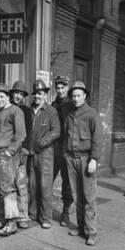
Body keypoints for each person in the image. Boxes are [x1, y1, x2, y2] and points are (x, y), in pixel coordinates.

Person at [63, 81, 103, 246]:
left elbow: (98, 139)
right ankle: (80, 227)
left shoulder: (92, 114)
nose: (76, 98)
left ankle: (91, 232)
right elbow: (66, 134)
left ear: (84, 96)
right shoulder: (69, 113)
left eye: (79, 95)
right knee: (76, 195)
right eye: (73, 96)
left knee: (89, 197)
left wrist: (94, 159)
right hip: (71, 158)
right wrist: (66, 154)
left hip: (87, 159)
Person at [0, 83, 26, 236]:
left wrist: (10, 152)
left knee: (8, 188)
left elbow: (21, 135)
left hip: (7, 153)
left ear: (8, 97)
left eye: (1, 96)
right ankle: (3, 219)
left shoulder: (15, 111)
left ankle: (11, 223)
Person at [25, 80, 60, 229]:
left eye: (40, 93)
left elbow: (56, 131)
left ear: (45, 94)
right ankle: (33, 214)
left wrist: (42, 142)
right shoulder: (30, 110)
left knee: (45, 186)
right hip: (32, 154)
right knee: (32, 185)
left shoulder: (51, 111)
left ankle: (46, 217)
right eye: (36, 94)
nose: (37, 96)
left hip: (45, 154)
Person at [9, 80, 33, 229]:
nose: (18, 96)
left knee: (21, 184)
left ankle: (23, 215)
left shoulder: (26, 110)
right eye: (16, 93)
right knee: (8, 184)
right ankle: (10, 214)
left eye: (21, 94)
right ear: (12, 93)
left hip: (21, 151)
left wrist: (25, 150)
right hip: (8, 150)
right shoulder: (7, 107)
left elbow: (29, 132)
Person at [51, 75, 73, 226]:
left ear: (67, 88)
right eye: (57, 88)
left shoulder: (72, 105)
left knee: (67, 183)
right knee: (47, 179)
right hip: (53, 148)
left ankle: (65, 213)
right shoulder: (52, 105)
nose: (60, 90)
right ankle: (44, 208)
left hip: (67, 148)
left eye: (62, 87)